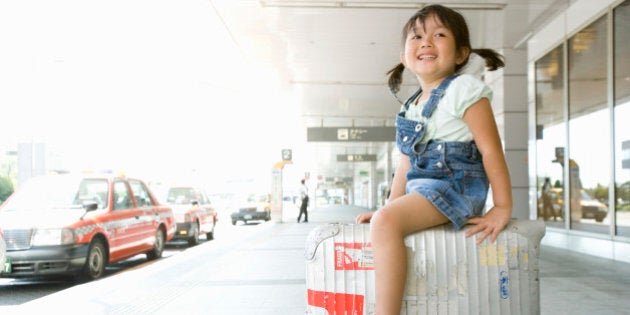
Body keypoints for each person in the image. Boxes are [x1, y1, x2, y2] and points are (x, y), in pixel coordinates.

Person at [355, 4, 512, 314]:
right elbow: (406, 164)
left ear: (461, 53)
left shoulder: (465, 89)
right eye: (416, 37)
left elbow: (491, 150)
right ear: (404, 57)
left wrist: (503, 206)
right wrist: (389, 208)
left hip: (456, 187)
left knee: (385, 223)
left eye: (439, 34)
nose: (426, 42)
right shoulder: (410, 106)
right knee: (385, 219)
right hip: (423, 190)